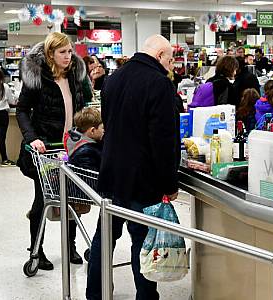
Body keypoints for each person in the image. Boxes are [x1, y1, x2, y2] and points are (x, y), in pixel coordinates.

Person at [87, 34, 179, 300]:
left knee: (104, 239)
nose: (170, 66)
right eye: (170, 60)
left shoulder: (114, 79)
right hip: (143, 180)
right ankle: (146, 297)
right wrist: (169, 184)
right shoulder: (159, 84)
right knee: (142, 240)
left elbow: (110, 124)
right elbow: (162, 140)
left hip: (112, 173)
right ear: (160, 55)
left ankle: (95, 294)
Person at [16, 32, 93, 270]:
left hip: (71, 147)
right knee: (43, 199)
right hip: (46, 149)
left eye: (70, 51)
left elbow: (86, 104)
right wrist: (33, 138)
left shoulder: (76, 76)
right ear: (51, 54)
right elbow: (22, 110)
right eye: (62, 52)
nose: (68, 56)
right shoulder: (37, 77)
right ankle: (36, 250)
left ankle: (70, 246)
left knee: (71, 197)